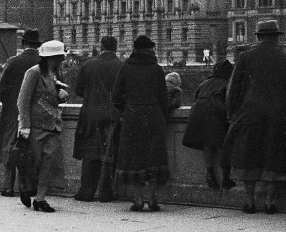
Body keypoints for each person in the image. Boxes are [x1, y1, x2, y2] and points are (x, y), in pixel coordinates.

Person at [223, 20, 286, 214]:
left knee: (248, 158)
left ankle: (249, 202)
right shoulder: (284, 58)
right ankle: (269, 203)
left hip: (250, 114)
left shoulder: (245, 57)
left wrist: (231, 114)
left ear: (258, 37)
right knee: (273, 159)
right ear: (277, 37)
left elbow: (232, 90)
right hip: (278, 116)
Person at [112, 34, 170, 212]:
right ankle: (152, 199)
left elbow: (115, 97)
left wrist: (127, 109)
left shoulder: (126, 68)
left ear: (135, 50)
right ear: (150, 50)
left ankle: (137, 200)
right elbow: (164, 99)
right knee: (154, 157)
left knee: (134, 158)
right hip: (153, 116)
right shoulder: (157, 69)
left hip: (132, 116)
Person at [16, 40, 69, 212]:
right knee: (33, 162)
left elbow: (52, 98)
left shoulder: (54, 73)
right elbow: (22, 100)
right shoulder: (34, 73)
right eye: (59, 57)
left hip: (53, 125)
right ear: (51, 58)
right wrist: (25, 126)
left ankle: (40, 199)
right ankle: (25, 189)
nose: (61, 60)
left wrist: (61, 96)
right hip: (35, 127)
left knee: (49, 162)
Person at [72, 35, 123, 202]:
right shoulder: (121, 66)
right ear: (116, 48)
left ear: (101, 47)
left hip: (90, 115)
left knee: (90, 153)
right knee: (110, 154)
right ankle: (106, 192)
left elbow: (79, 90)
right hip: (113, 116)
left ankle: (86, 191)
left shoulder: (88, 64)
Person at [0, 29, 42, 195]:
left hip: (13, 112)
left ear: (23, 43)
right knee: (31, 152)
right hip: (36, 113)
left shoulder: (13, 62)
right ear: (38, 45)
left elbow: (2, 90)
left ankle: (7, 186)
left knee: (10, 148)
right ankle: (28, 188)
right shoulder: (43, 63)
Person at [182, 60, 234, 191]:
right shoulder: (228, 83)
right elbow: (231, 101)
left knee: (206, 143)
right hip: (217, 110)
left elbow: (195, 97)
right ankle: (226, 178)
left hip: (198, 111)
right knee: (222, 144)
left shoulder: (204, 83)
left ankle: (210, 173)